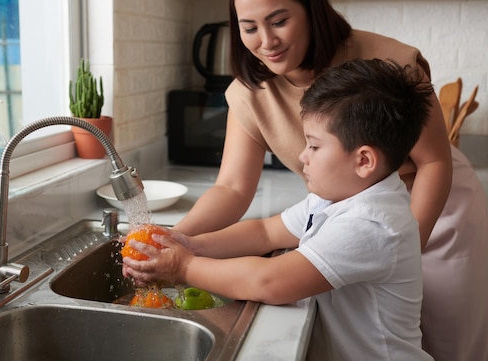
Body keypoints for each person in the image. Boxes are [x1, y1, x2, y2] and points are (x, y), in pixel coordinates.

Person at [174, 0, 488, 360]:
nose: (266, 41)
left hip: (437, 213)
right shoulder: (250, 92)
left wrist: (404, 249)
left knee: (455, 347)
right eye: (249, 27)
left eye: (279, 21)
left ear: (311, 8)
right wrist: (177, 237)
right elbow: (233, 188)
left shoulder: (389, 62)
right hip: (357, 223)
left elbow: (434, 161)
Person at [124, 58, 435, 361]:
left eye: (314, 145)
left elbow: (269, 282)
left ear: (364, 161)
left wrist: (184, 267)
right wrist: (191, 244)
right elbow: (266, 232)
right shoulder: (338, 196)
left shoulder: (371, 223)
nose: (302, 156)